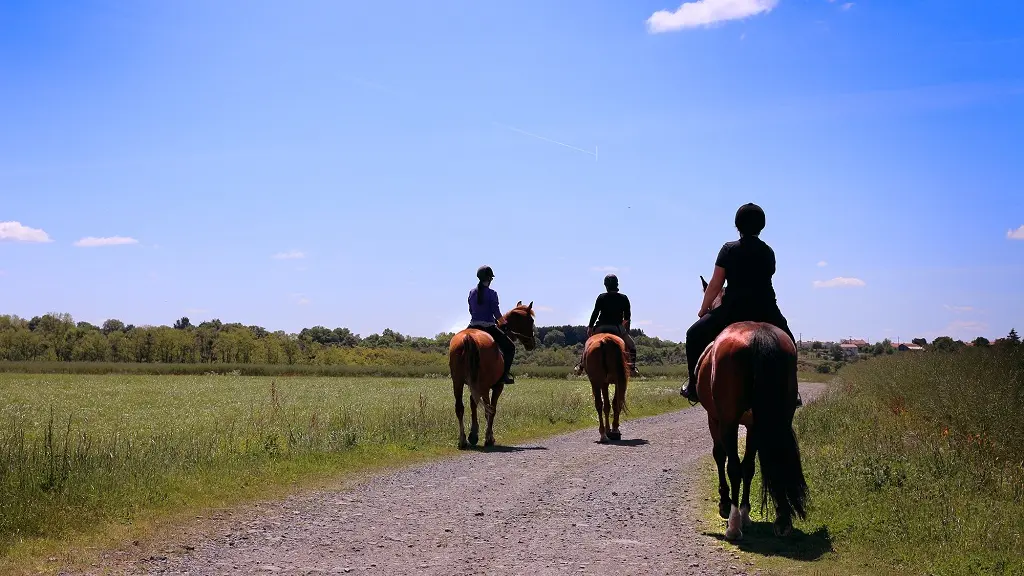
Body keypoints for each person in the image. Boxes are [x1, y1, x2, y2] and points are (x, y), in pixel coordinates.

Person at [680, 203, 797, 402]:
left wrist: (702, 310)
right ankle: (792, 392)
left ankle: (693, 385)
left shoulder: (728, 249)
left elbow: (716, 284)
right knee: (790, 342)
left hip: (733, 310)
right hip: (766, 309)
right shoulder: (768, 251)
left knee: (693, 334)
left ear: (737, 226)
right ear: (762, 226)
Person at [573, 274, 641, 377]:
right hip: (617, 328)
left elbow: (595, 313)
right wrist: (625, 330)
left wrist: (590, 327)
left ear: (606, 285)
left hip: (601, 327)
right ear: (617, 284)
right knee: (632, 346)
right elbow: (627, 318)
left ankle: (581, 365)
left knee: (588, 343)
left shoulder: (602, 297)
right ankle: (632, 368)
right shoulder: (624, 298)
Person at [468, 265, 516, 385]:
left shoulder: (471, 292)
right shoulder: (492, 293)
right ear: (489, 278)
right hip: (488, 327)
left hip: (473, 325)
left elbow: (471, 310)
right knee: (510, 348)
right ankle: (504, 376)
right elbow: (496, 313)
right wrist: (503, 323)